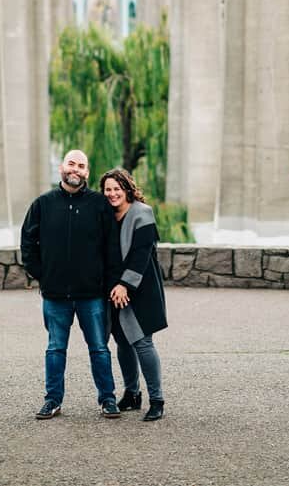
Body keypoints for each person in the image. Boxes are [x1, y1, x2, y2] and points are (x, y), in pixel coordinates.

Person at [20, 149, 123, 419]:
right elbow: (27, 245)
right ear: (62, 168)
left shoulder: (100, 205)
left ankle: (108, 399)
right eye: (71, 164)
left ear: (87, 172)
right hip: (55, 295)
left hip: (92, 294)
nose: (75, 169)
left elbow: (112, 248)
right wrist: (44, 275)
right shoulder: (43, 204)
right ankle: (52, 400)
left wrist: (109, 282)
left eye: (81, 166)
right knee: (55, 349)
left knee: (99, 348)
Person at [100, 168, 168, 422]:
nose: (112, 193)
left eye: (117, 188)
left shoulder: (142, 213)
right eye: (108, 189)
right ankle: (132, 393)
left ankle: (157, 399)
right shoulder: (106, 215)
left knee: (142, 342)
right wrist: (113, 287)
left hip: (139, 288)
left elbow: (141, 252)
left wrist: (125, 285)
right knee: (122, 342)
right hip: (112, 290)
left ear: (127, 188)